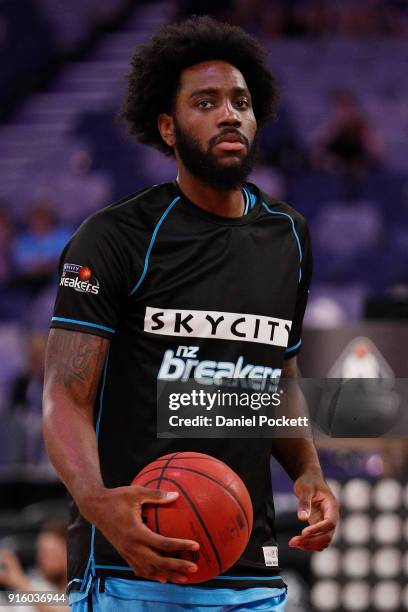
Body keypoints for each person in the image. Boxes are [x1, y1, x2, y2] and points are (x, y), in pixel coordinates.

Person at [43, 16, 339, 611]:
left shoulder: (288, 236)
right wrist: (98, 501)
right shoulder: (116, 237)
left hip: (252, 570)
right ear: (167, 127)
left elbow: (275, 372)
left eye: (241, 101)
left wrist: (307, 470)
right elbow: (64, 396)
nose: (229, 114)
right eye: (205, 102)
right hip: (134, 566)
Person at [0, 521, 69, 612]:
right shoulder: (36, 583)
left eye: (52, 552)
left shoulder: (84, 591)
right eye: (42, 552)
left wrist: (19, 580)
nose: (44, 559)